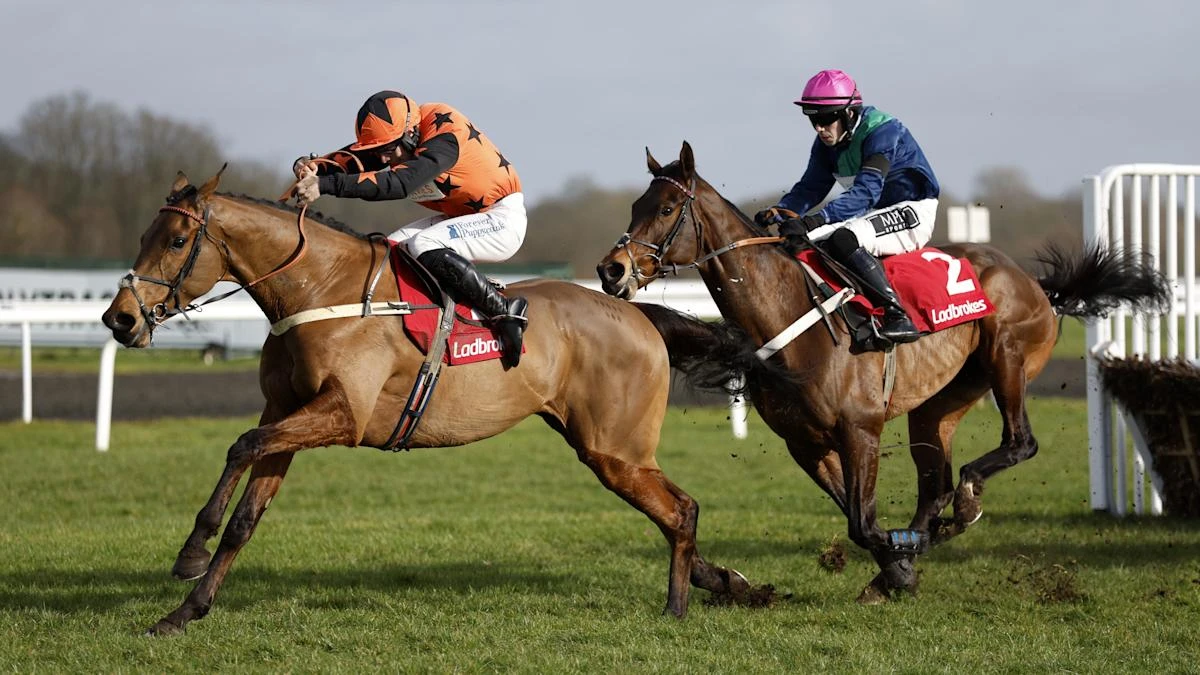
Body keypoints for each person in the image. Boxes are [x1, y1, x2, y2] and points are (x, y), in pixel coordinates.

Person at [293, 90, 528, 366]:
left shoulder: (444, 137)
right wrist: (315, 167)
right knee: (390, 249)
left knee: (423, 245)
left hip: (500, 219)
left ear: (411, 134)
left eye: (387, 151)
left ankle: (504, 310)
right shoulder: (403, 136)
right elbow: (361, 158)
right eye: (379, 152)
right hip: (463, 216)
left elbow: (400, 183)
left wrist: (325, 185)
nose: (383, 160)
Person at [754, 69, 940, 344]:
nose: (819, 127)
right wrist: (781, 211)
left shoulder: (884, 132)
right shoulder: (826, 144)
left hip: (913, 211)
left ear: (849, 113)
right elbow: (810, 188)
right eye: (813, 119)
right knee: (794, 244)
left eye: (826, 118)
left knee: (844, 237)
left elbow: (865, 193)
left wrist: (815, 221)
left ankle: (898, 315)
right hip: (874, 213)